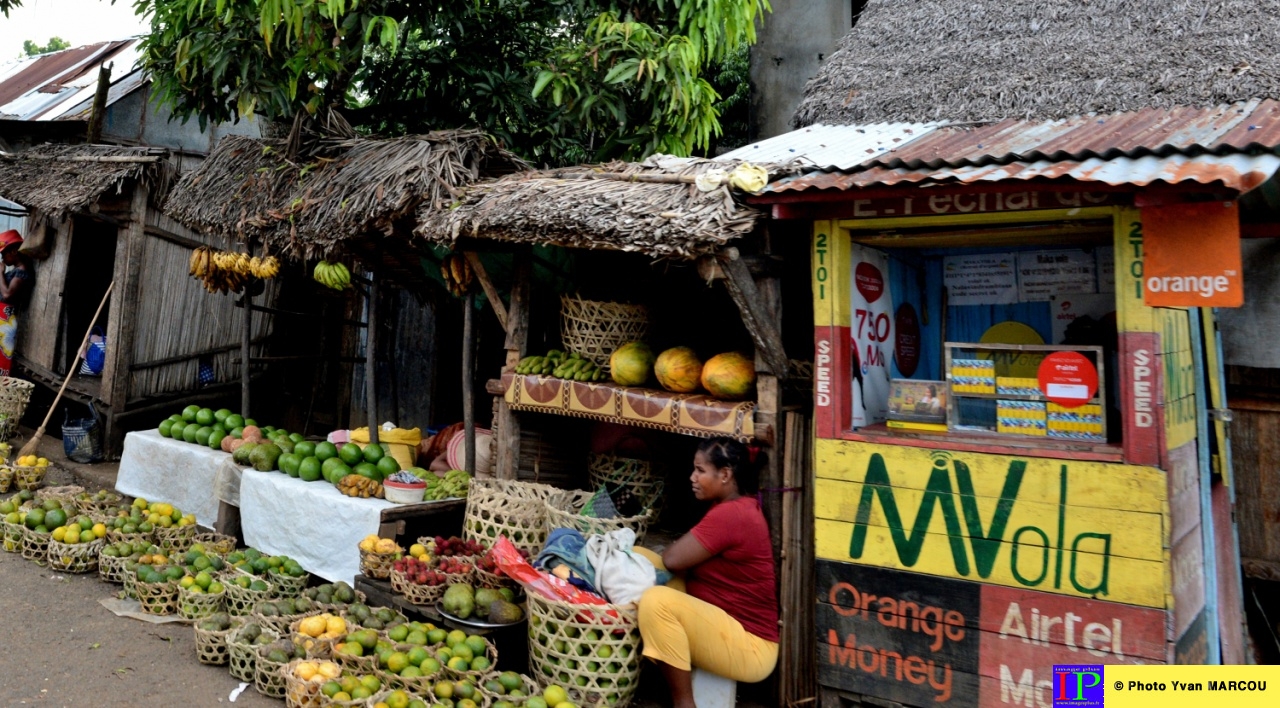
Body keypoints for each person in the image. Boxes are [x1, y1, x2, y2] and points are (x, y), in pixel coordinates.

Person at [636, 437, 778, 707]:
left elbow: (673, 559)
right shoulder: (731, 507)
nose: (692, 477)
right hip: (727, 627)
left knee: (657, 603)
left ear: (725, 474)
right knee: (640, 558)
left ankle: (684, 703)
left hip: (751, 647)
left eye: (700, 470)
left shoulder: (733, 515)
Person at [0, 229, 31, 377]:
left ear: (13, 251)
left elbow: (6, 294)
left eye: (3, 253)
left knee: (2, 359)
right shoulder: (16, 271)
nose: (2, 258)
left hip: (5, 319)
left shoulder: (22, 271)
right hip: (2, 317)